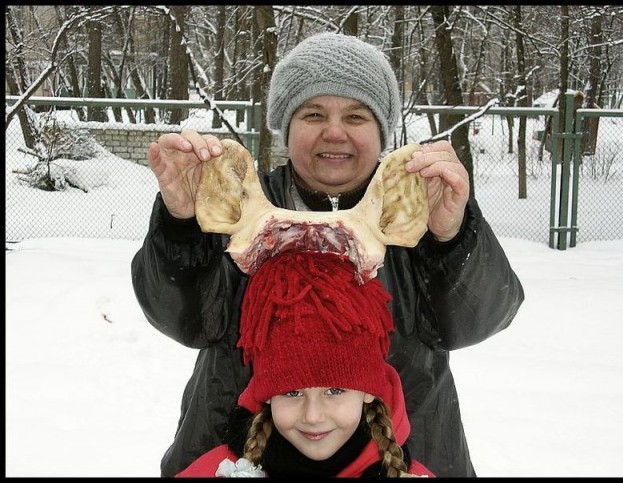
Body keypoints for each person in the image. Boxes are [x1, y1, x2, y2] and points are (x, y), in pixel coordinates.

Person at [131, 32, 524, 477]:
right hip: (235, 453)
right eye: (313, 113)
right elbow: (183, 319)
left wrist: (452, 237)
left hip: (407, 456)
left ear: (381, 132)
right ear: (286, 126)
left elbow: (479, 319)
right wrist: (182, 223)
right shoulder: (233, 204)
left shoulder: (418, 209)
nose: (334, 131)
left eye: (356, 116)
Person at [176, 250, 435, 477]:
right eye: (292, 392)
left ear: (368, 391)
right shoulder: (213, 472)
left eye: (334, 391)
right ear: (266, 394)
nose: (313, 416)